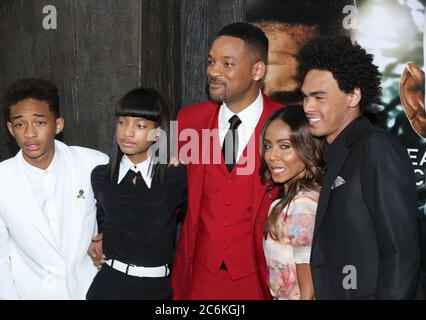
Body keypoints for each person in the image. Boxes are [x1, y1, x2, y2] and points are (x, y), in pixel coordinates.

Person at [298, 36, 423, 299]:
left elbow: (401, 254)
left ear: (353, 96)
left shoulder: (376, 148)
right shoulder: (338, 153)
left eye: (319, 97)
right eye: (305, 97)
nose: (308, 107)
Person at [171, 22, 283, 300]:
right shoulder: (189, 120)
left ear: (258, 70)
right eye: (211, 62)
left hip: (261, 279)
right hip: (198, 277)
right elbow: (167, 198)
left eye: (227, 64)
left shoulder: (287, 124)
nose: (213, 71)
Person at [0, 78, 108, 299]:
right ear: (10, 129)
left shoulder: (92, 164)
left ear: (58, 124)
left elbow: (119, 220)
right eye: (20, 124)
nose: (29, 133)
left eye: (39, 122)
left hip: (92, 291)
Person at [86, 88, 186, 299]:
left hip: (154, 288)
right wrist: (98, 242)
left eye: (140, 125)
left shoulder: (175, 177)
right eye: (122, 122)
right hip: (107, 286)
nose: (127, 132)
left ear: (158, 133)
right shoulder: (101, 176)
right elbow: (103, 225)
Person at [259, 105, 326, 300]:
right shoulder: (289, 203)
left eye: (285, 146)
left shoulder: (302, 205)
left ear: (308, 148)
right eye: (268, 145)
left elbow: (309, 291)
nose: (272, 156)